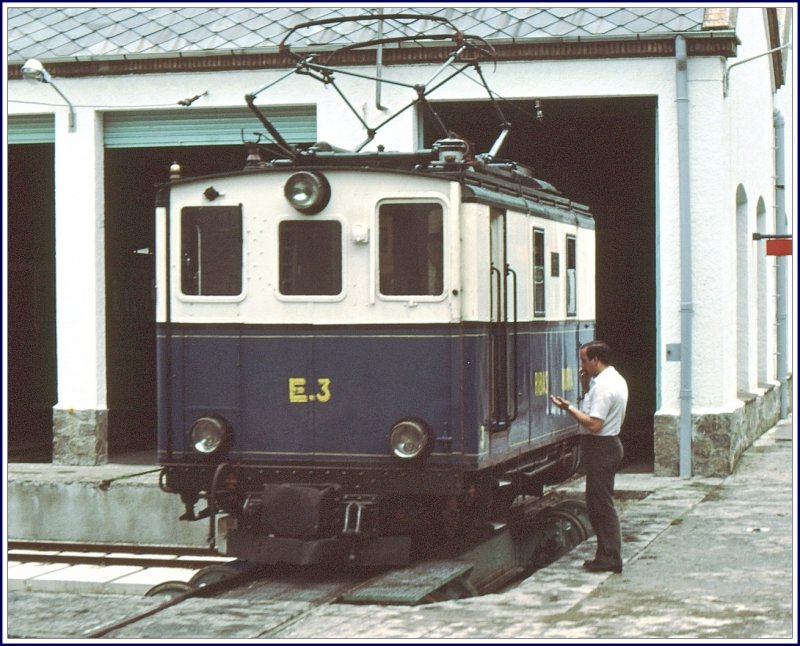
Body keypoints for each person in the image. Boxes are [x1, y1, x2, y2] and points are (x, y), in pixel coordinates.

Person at [550, 340, 628, 574]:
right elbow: (594, 408)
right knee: (597, 504)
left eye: (584, 360)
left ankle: (611, 556)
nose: (582, 364)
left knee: (601, 505)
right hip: (605, 445)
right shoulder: (609, 380)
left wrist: (569, 408)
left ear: (596, 360)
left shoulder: (605, 386)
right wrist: (585, 385)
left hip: (601, 446)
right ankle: (605, 554)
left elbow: (594, 423)